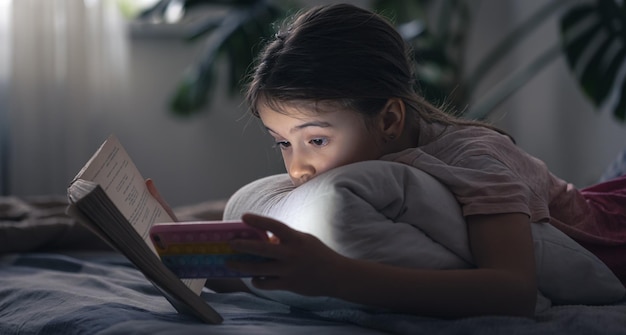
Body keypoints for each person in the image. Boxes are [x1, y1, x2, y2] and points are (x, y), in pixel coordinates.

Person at [150, 3, 626, 319]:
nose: (297, 169)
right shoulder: (373, 163)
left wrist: (335, 277)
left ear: (390, 119)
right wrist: (180, 239)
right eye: (282, 143)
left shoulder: (475, 159)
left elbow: (514, 292)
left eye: (315, 140)